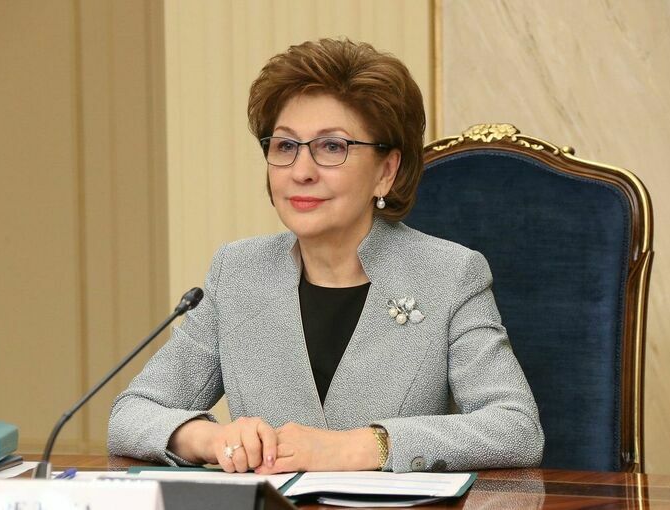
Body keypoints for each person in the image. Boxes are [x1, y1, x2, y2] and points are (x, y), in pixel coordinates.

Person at [108, 38, 543, 474]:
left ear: (386, 171)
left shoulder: (449, 274)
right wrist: (212, 439)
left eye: (332, 147)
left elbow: (516, 429)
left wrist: (363, 447)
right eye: (285, 146)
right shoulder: (237, 272)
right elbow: (132, 414)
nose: (301, 171)